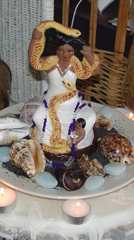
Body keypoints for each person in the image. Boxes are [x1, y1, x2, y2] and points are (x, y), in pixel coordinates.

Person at [28, 22, 100, 155]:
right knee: (38, 117)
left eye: (69, 51)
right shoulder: (50, 64)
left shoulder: (75, 66)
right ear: (55, 50)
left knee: (89, 117)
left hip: (71, 103)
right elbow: (34, 60)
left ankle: (78, 146)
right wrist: (35, 39)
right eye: (60, 50)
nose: (65, 54)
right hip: (50, 103)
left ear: (74, 52)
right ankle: (45, 145)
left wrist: (89, 55)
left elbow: (95, 71)